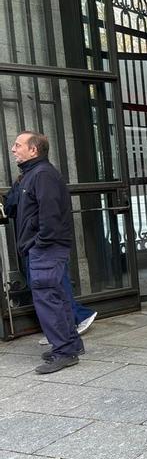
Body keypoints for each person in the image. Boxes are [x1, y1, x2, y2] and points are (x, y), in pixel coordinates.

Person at [8, 131, 83, 374]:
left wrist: (38, 244)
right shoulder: (31, 175)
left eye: (18, 145)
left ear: (34, 150)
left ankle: (64, 352)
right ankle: (70, 345)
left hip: (45, 249)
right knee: (56, 298)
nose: (13, 149)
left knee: (48, 301)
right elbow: (15, 208)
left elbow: (50, 217)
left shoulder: (42, 175)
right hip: (42, 248)